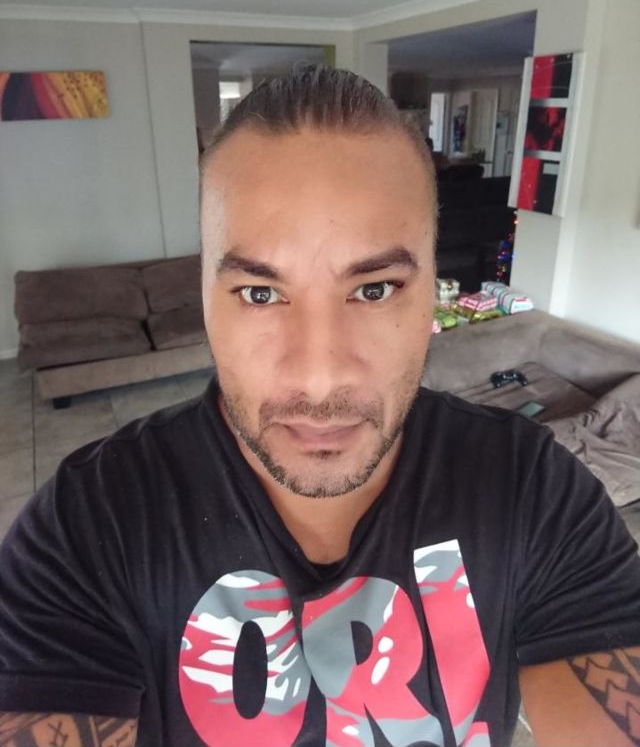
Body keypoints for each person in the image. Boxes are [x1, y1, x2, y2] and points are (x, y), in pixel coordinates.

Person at [0, 66, 639, 747]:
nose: (318, 374)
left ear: (435, 291)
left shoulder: (530, 488)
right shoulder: (89, 527)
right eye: (260, 294)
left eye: (374, 290)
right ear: (205, 300)